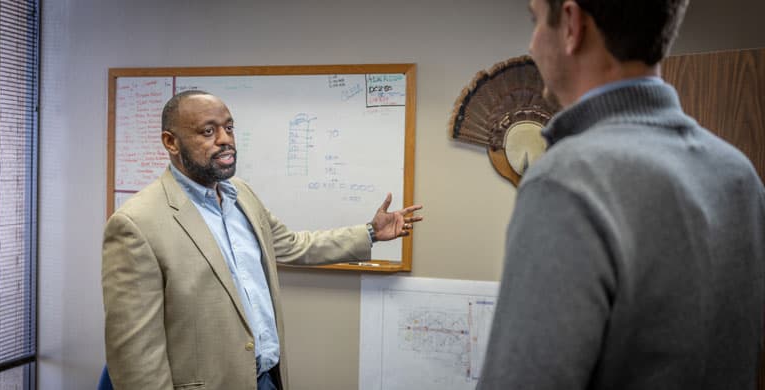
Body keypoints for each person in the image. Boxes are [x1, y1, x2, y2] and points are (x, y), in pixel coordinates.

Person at [477, 0, 765, 389]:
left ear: (570, 24)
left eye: (534, 21)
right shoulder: (739, 176)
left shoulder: (568, 182)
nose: (531, 45)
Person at [102, 90, 423, 390]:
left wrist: (369, 233)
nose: (225, 140)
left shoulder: (240, 194)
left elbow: (294, 245)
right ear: (171, 142)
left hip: (266, 378)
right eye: (208, 132)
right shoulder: (136, 225)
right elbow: (135, 355)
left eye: (229, 128)